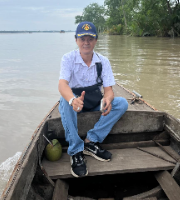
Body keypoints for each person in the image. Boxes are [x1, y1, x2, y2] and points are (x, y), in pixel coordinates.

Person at [58, 21, 128, 178]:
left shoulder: (103, 61)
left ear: (96, 40)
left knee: (121, 103)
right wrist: (73, 100)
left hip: (95, 101)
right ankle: (76, 150)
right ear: (76, 40)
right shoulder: (68, 59)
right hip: (76, 102)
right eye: (82, 39)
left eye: (90, 38)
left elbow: (109, 90)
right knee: (64, 101)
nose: (86, 42)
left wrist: (108, 100)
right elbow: (62, 85)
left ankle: (91, 141)